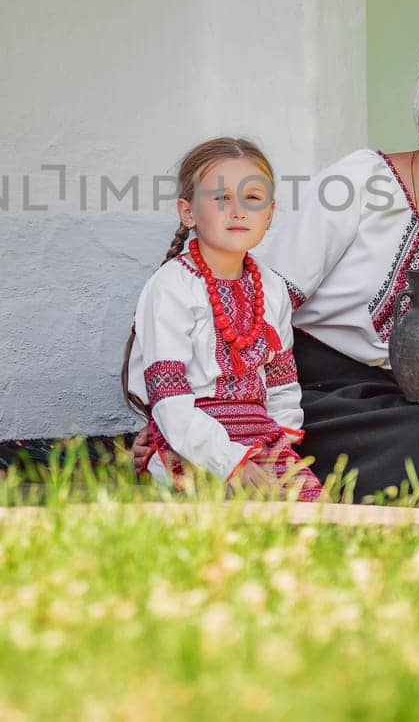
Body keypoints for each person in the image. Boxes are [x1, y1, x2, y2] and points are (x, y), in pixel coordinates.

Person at [134, 28, 419, 523]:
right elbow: (256, 309)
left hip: (403, 408)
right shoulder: (359, 182)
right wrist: (183, 417)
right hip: (303, 398)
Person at [122, 137, 323, 501]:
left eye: (253, 198)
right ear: (188, 212)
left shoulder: (272, 288)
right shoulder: (171, 287)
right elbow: (170, 401)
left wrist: (281, 449)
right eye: (221, 198)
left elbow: (281, 385)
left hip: (261, 437)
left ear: (271, 212)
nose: (238, 211)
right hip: (190, 438)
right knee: (231, 512)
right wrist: (231, 461)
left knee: (315, 510)